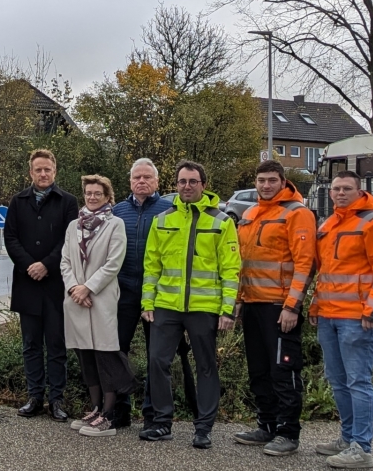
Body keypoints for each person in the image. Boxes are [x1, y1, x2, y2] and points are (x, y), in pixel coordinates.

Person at [139, 160, 240, 449]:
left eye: (192, 181)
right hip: (166, 306)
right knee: (157, 361)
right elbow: (152, 266)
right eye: (182, 181)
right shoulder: (163, 220)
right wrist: (148, 302)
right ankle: (161, 423)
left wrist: (227, 309)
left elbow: (231, 270)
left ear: (203, 185)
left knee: (206, 366)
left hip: (203, 308)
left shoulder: (222, 222)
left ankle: (204, 428)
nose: (186, 186)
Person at [310, 170, 373, 469]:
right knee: (338, 381)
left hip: (358, 319)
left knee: (358, 382)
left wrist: (372, 311)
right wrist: (315, 306)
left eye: (347, 188)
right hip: (329, 316)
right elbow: (325, 273)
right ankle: (348, 438)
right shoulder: (330, 224)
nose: (340, 193)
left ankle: (362, 447)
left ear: (360, 191)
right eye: (336, 188)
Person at [233, 160, 316, 456]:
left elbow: (305, 263)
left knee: (283, 370)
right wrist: (239, 301)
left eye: (271, 180)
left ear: (283, 181)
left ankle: (288, 432)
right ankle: (266, 425)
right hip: (254, 305)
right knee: (259, 371)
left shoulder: (297, 213)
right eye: (261, 180)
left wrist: (293, 306)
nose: (266, 185)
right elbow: (243, 263)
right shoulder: (251, 213)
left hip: (280, 306)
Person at [113, 157, 197, 430]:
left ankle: (153, 415)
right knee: (118, 352)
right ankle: (119, 410)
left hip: (159, 297)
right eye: (137, 177)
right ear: (130, 181)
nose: (141, 181)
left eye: (147, 177)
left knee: (156, 357)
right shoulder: (117, 211)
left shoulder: (171, 209)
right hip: (123, 293)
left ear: (157, 182)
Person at [4, 149, 78, 422]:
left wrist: (46, 264)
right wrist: (28, 265)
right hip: (27, 283)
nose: (43, 174)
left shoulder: (68, 202)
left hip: (57, 283)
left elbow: (69, 239)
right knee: (31, 344)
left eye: (47, 169)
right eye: (38, 170)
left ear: (54, 171)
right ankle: (34, 396)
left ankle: (56, 399)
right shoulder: (18, 201)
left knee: (57, 344)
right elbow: (10, 237)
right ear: (30, 172)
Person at [61, 174, 137, 437]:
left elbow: (113, 263)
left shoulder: (115, 224)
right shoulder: (74, 226)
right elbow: (65, 262)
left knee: (105, 356)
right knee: (86, 355)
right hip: (76, 300)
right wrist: (74, 288)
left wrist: (87, 287)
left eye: (98, 194)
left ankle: (108, 414)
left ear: (107, 196)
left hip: (100, 298)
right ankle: (94, 408)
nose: (92, 197)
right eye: (89, 193)